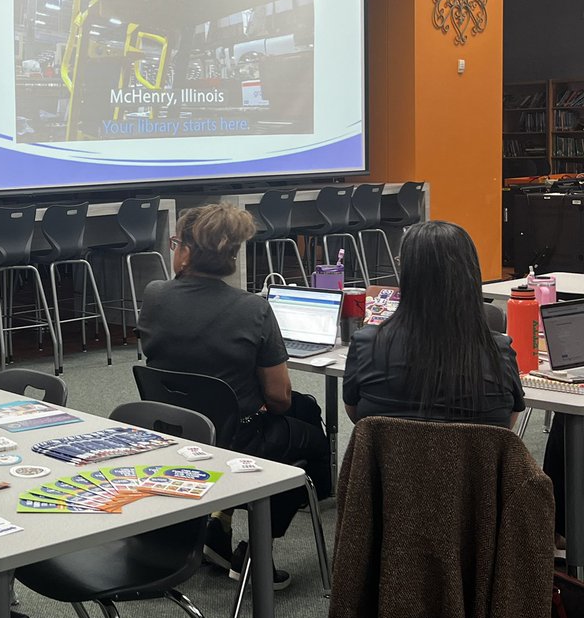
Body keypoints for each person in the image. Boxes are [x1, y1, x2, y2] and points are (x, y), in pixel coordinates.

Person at [137, 203, 332, 590]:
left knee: (306, 409)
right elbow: (278, 399)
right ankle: (258, 550)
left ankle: (219, 524)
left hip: (173, 432)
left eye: (176, 243)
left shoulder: (155, 295)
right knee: (311, 438)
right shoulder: (253, 309)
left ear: (187, 252)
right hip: (237, 440)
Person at [343, 220, 524, 429]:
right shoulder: (499, 353)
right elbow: (505, 429)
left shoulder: (367, 344)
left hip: (392, 462)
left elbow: (358, 417)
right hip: (472, 462)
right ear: (471, 274)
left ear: (409, 275)